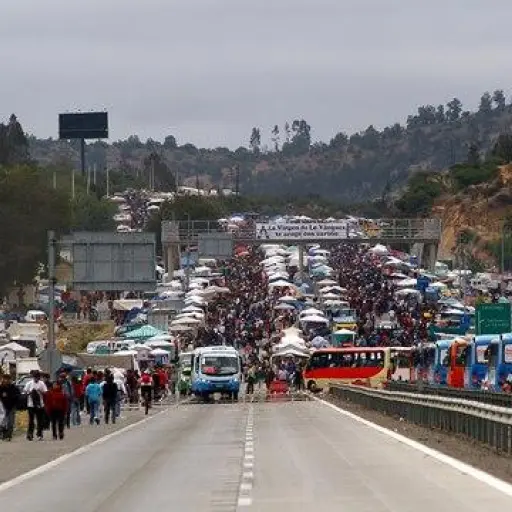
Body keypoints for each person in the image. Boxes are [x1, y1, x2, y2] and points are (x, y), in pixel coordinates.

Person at [24, 371, 47, 441]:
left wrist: (40, 391)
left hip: (40, 404)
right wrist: (30, 392)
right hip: (31, 405)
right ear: (33, 377)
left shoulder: (42, 383)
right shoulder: (29, 383)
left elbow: (46, 392)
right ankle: (30, 434)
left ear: (39, 377)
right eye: (35, 377)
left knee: (40, 420)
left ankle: (39, 434)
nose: (36, 379)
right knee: (31, 420)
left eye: (37, 377)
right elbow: (24, 391)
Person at [0, 374, 20, 441]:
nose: (6, 381)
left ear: (10, 380)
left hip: (12, 407)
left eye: (8, 379)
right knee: (4, 422)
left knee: (10, 422)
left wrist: (14, 398)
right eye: (4, 379)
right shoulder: (1, 387)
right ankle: (4, 435)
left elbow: (18, 395)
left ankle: (9, 435)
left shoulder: (14, 387)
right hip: (3, 406)